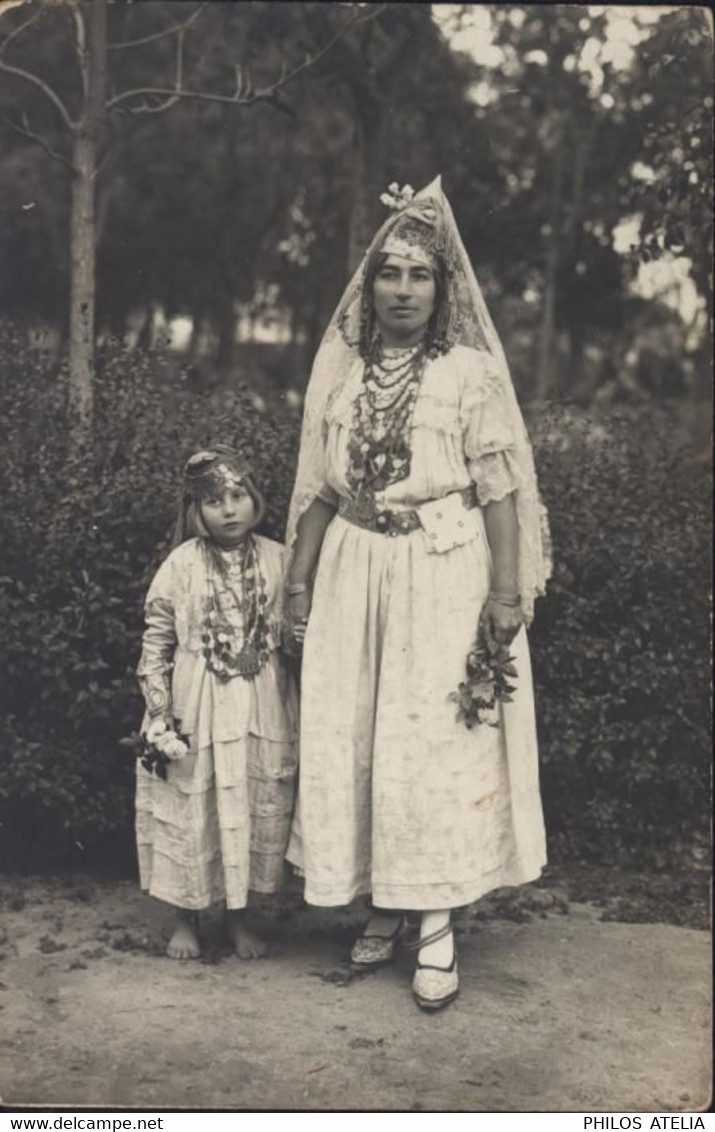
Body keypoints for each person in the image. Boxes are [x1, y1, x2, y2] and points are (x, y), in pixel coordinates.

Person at [284, 177, 551, 1010]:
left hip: (442, 572)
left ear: (443, 291)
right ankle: (385, 903)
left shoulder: (468, 374)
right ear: (368, 288)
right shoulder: (343, 374)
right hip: (353, 573)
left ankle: (434, 917)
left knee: (430, 742)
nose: (402, 290)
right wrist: (295, 584)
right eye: (388, 274)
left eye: (418, 276)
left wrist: (504, 595)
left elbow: (500, 489)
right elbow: (322, 493)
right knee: (360, 735)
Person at [135, 446, 298, 960]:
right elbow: (156, 638)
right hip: (195, 700)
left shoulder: (279, 558)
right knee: (194, 801)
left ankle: (237, 918)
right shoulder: (181, 564)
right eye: (213, 501)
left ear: (255, 499)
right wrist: (160, 712)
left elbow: (295, 632)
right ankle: (185, 918)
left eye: (237, 496)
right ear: (195, 512)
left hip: (259, 700)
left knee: (246, 802)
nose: (229, 510)